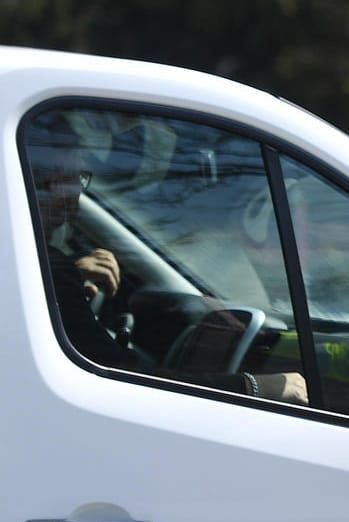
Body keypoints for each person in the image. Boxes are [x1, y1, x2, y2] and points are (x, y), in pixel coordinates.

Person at [26, 116, 306, 404]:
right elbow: (127, 383)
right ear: (53, 184)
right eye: (77, 178)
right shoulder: (50, 273)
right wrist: (253, 387)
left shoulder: (40, 271)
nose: (76, 198)